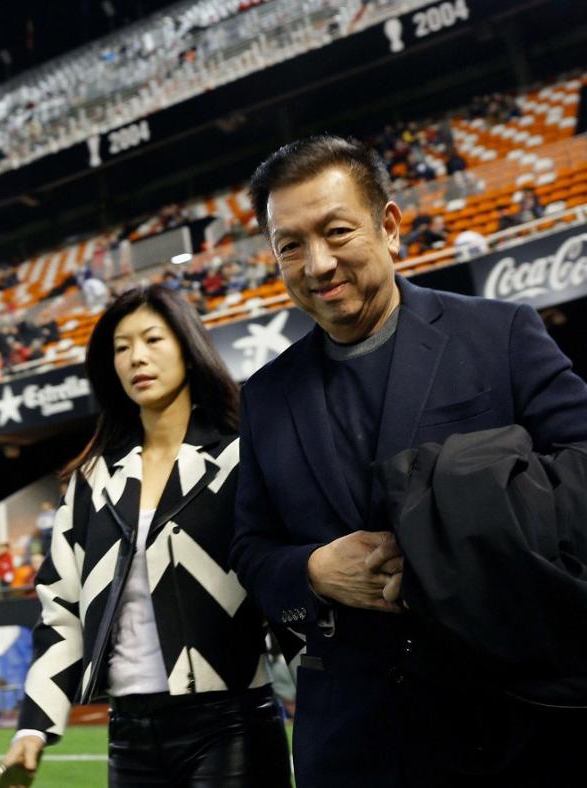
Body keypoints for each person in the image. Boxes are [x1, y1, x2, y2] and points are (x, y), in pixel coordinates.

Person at [230, 134, 587, 787]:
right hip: (350, 745)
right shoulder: (264, 397)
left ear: (389, 227)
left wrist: (449, 518)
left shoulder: (501, 333)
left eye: (337, 232)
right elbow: (251, 547)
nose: (317, 263)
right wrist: (310, 571)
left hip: (516, 728)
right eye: (290, 245)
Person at [0, 286, 290, 787]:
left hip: (232, 724)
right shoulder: (91, 482)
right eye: (121, 347)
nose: (137, 357)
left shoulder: (239, 459)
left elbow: (287, 579)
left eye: (153, 339)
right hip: (129, 733)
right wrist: (33, 728)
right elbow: (60, 611)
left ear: (187, 347)